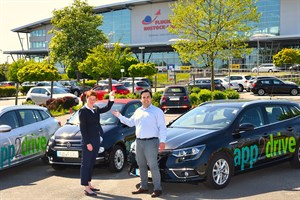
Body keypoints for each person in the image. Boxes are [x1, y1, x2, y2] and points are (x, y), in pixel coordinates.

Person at [112, 89, 167, 198]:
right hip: (139, 142)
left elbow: (162, 128)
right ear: (141, 99)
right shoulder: (138, 111)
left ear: (151, 98)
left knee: (153, 165)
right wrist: (119, 116)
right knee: (141, 165)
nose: (146, 99)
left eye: (148, 97)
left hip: (151, 142)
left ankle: (157, 188)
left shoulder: (157, 111)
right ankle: (144, 186)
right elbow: (130, 122)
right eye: (143, 97)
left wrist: (162, 141)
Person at [79, 90, 115, 196]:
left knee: (91, 164)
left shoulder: (95, 109)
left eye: (94, 99)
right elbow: (83, 129)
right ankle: (86, 187)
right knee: (86, 164)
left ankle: (89, 184)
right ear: (86, 98)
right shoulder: (83, 111)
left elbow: (107, 108)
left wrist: (111, 97)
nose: (92, 101)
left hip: (96, 140)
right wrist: (87, 143)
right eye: (90, 99)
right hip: (88, 142)